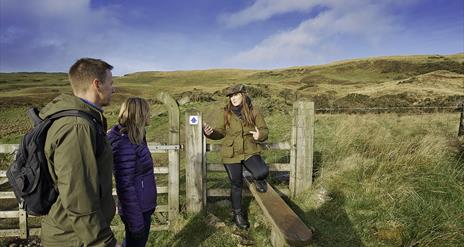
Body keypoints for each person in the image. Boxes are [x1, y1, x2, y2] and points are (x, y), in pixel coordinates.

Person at [40, 58, 120, 246]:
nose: (114, 89)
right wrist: (103, 242)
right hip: (76, 238)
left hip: (78, 234)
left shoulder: (83, 120)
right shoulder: (77, 127)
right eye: (111, 83)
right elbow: (78, 196)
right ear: (97, 85)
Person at [203, 84, 269, 229]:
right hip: (231, 152)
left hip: (249, 149)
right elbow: (220, 131)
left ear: (243, 95)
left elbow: (264, 130)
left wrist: (260, 135)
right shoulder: (226, 112)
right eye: (231, 96)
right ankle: (238, 214)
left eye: (236, 95)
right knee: (236, 183)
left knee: (262, 171)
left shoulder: (254, 111)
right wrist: (210, 133)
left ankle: (258, 179)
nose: (233, 98)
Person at [107, 97, 157, 247]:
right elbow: (125, 187)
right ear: (139, 115)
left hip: (142, 206)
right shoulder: (125, 144)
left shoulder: (136, 138)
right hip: (137, 210)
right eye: (147, 112)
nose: (150, 115)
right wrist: (136, 224)